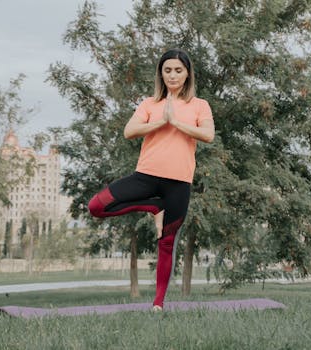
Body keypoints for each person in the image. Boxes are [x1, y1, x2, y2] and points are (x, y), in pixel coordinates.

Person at [87, 48, 215, 311]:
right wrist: (160, 122)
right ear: (161, 73)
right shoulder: (149, 104)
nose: (172, 75)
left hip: (179, 183)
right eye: (167, 70)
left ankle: (158, 303)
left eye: (178, 70)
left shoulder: (199, 105)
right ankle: (152, 206)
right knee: (96, 207)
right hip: (145, 177)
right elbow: (129, 131)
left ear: (188, 73)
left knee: (166, 243)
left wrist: (176, 122)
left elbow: (208, 135)